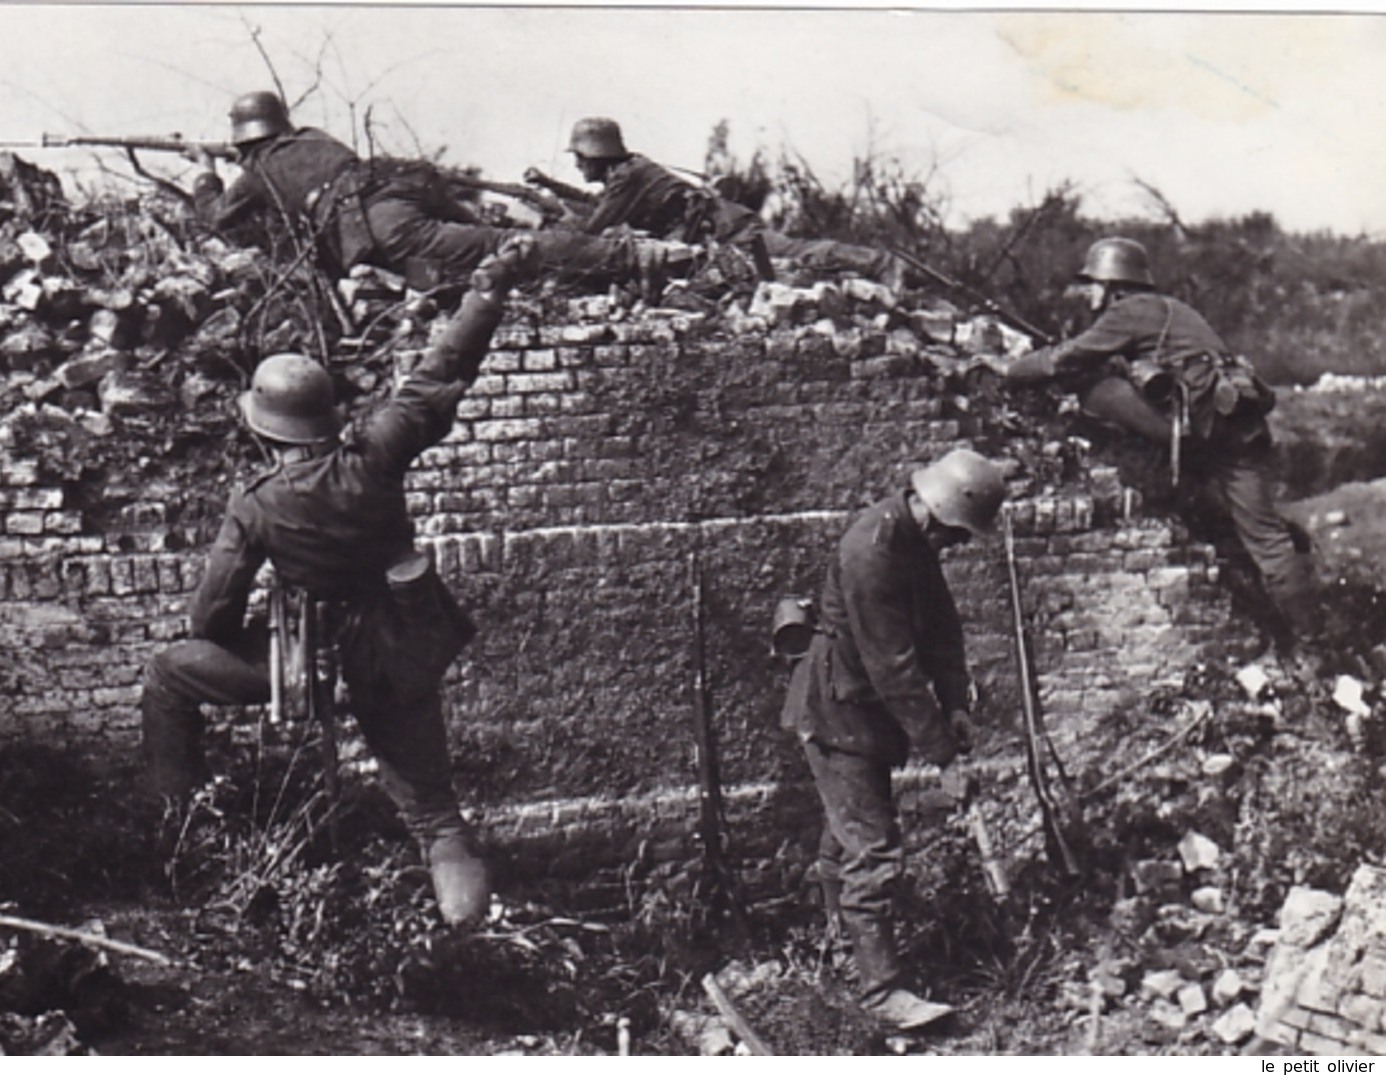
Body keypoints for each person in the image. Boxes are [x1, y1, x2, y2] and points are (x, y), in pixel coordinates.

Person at [139, 240, 541, 928]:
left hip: (302, 663)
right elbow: (443, 371)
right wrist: (487, 292)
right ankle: (467, 935)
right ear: (325, 416)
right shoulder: (377, 455)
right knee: (436, 815)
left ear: (265, 432)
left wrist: (262, 649)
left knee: (169, 675)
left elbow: (211, 616)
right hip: (397, 648)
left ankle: (180, 846)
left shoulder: (257, 501)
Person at [991, 237, 1321, 658]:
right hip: (1240, 428)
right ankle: (1313, 645)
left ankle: (1129, 461)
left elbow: (1069, 358)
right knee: (1270, 540)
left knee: (1091, 385)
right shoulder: (1176, 309)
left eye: (1094, 284)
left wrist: (1011, 371)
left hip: (1194, 430)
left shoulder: (1129, 311)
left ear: (1115, 285)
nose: (1090, 293)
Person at [781, 447, 1006, 1031]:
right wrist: (943, 758)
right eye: (959, 535)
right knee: (874, 850)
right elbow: (894, 668)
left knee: (844, 840)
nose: (958, 547)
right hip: (837, 712)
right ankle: (882, 996)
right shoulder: (872, 550)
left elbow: (944, 633)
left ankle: (836, 953)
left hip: (865, 714)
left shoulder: (915, 541)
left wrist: (956, 705)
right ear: (939, 512)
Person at [190, 91, 655, 292]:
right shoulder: (312, 136)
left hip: (386, 222)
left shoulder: (256, 173)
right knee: (492, 244)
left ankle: (633, 259)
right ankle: (607, 259)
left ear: (245, 138)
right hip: (404, 185)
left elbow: (214, 218)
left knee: (508, 250)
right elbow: (306, 170)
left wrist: (205, 171)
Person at [559, 116, 909, 287]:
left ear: (597, 154)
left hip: (728, 229)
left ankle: (881, 264)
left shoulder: (628, 177)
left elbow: (595, 226)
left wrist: (556, 223)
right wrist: (548, 187)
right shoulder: (626, 174)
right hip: (718, 234)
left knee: (797, 253)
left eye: (581, 158)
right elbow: (598, 206)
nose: (577, 165)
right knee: (793, 267)